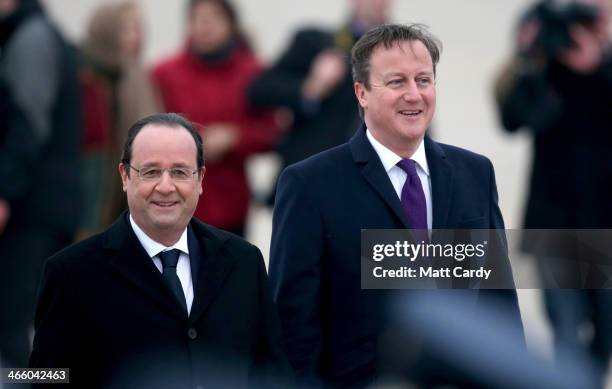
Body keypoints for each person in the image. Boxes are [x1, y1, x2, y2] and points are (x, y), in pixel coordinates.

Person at [269, 24, 523, 387]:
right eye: (396, 82)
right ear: (362, 93)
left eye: (423, 80)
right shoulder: (309, 184)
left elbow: (498, 299)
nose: (414, 95)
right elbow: (294, 318)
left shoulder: (475, 173)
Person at [30, 113, 292, 388]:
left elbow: (273, 373)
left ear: (200, 178)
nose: (165, 187)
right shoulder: (70, 273)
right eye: (151, 171)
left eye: (179, 172)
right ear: (125, 176)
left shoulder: (244, 261)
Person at [494, 0, 612, 379]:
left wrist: (600, 64)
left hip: (606, 219)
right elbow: (514, 119)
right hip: (554, 218)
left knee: (606, 331)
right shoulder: (542, 61)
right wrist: (530, 60)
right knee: (564, 328)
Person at [0, 0, 81, 368]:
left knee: (15, 326)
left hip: (32, 212)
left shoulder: (30, 39)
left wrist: (4, 190)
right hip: (43, 207)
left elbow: (28, 126)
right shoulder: (36, 33)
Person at [152, 0, 278, 237]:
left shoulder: (253, 72)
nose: (205, 25)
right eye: (198, 18)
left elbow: (273, 131)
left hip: (232, 201)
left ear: (231, 23)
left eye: (214, 17)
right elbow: (147, 132)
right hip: (175, 199)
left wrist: (235, 138)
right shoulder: (164, 73)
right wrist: (192, 142)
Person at [248, 0, 391, 204]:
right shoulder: (317, 42)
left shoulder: (399, 55)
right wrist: (311, 87)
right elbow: (258, 90)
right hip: (312, 182)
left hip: (372, 185)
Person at [79, 0, 161, 239]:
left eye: (139, 28)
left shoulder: (138, 77)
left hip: (124, 197)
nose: (136, 36)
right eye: (126, 28)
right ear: (107, 30)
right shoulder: (82, 76)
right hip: (87, 198)